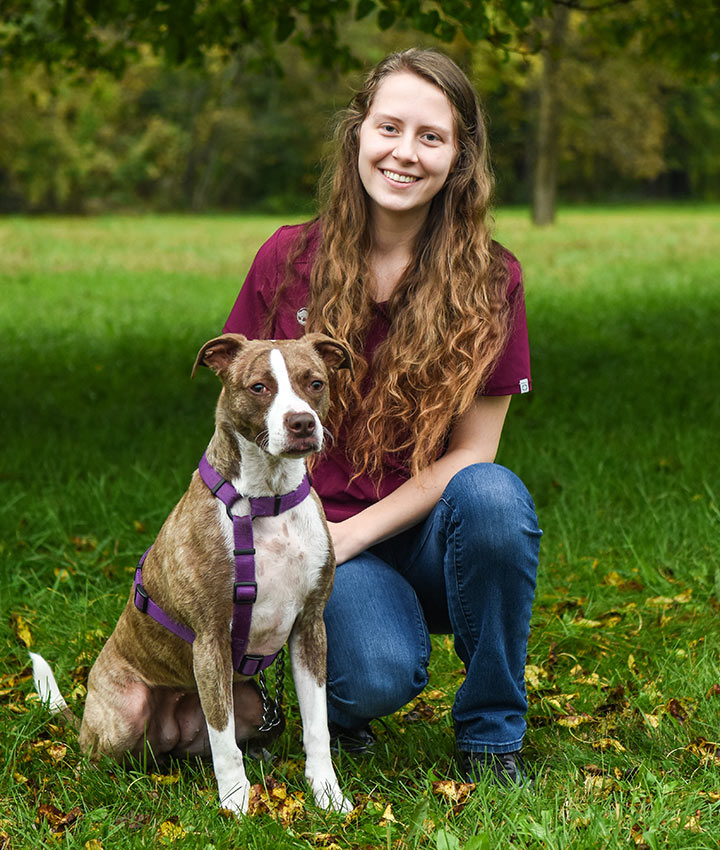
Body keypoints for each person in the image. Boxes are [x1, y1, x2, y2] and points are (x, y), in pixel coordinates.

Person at [223, 48, 541, 785]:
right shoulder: (287, 257)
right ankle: (336, 696)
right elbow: (242, 415)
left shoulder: (494, 277)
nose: (405, 152)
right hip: (317, 530)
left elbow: (475, 454)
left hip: (426, 535)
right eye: (388, 127)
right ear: (358, 134)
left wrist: (352, 535)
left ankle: (493, 734)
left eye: (431, 136)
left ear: (459, 157)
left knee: (495, 500)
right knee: (375, 677)